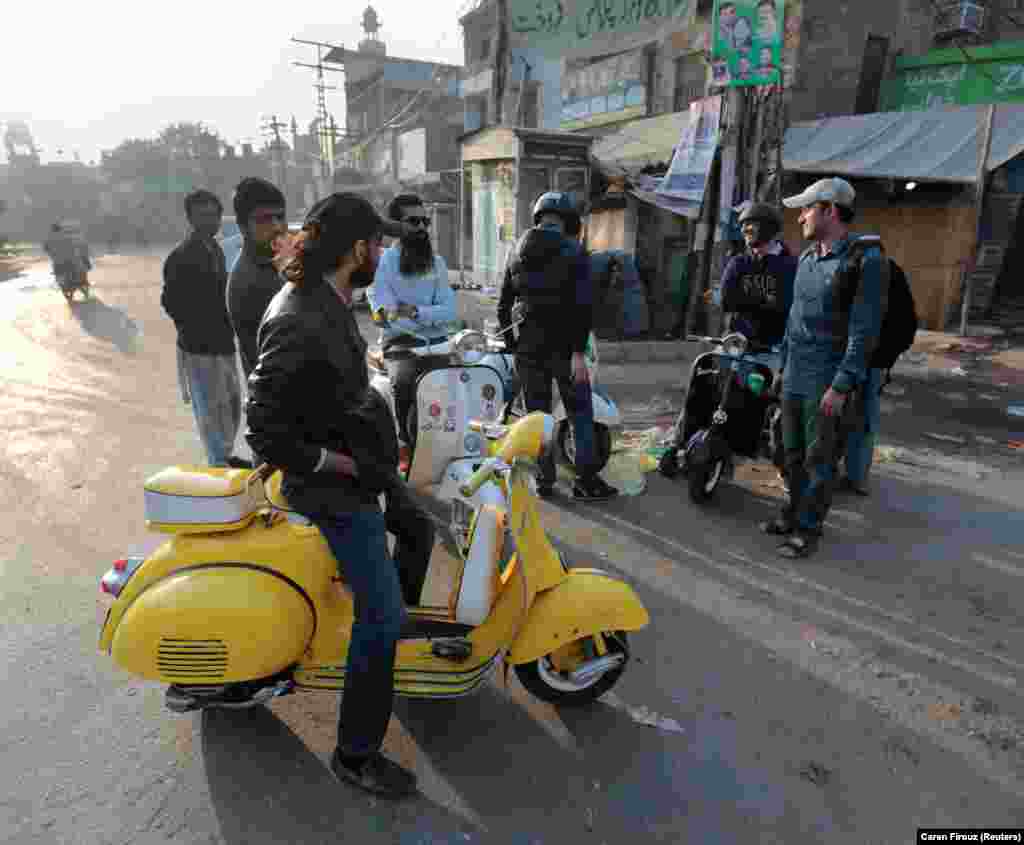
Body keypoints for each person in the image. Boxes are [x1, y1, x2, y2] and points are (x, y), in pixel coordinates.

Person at [245, 193, 429, 798]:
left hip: (360, 466)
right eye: (376, 243)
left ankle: (383, 656)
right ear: (355, 249)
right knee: (380, 611)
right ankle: (355, 754)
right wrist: (339, 462)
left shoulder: (328, 300)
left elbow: (328, 386)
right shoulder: (298, 313)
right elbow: (264, 428)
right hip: (331, 485)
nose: (381, 252)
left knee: (418, 528)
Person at [761, 178, 888, 559]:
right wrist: (781, 368)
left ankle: (808, 530)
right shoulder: (807, 258)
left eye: (807, 209)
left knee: (820, 459)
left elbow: (864, 332)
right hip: (795, 374)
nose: (799, 216)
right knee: (787, 452)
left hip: (826, 379)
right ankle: (793, 512)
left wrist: (842, 384)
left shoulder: (865, 262)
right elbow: (794, 320)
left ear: (830, 211)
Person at [497, 192, 618, 502]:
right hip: (566, 351)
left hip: (528, 350)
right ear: (566, 220)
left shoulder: (515, 251)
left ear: (539, 218)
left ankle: (544, 480)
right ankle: (585, 480)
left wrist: (514, 344)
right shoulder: (574, 251)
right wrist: (578, 352)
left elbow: (503, 305)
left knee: (537, 417)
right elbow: (583, 307)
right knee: (579, 414)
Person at [368, 194, 457, 471]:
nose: (421, 227)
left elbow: (449, 311)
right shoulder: (383, 263)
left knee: (459, 384)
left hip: (439, 343)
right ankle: (404, 443)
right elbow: (384, 313)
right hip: (400, 345)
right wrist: (423, 315)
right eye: (413, 221)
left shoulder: (438, 263)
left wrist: (416, 312)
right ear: (396, 226)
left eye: (424, 221)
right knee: (405, 382)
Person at [161, 190, 245, 468]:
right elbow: (170, 302)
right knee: (210, 409)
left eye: (214, 215)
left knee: (231, 405)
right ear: (190, 218)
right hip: (198, 346)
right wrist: (194, 325)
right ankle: (219, 463)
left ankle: (224, 454)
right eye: (203, 216)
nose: (210, 221)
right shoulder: (180, 256)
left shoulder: (217, 251)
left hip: (223, 341)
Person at [226, 177, 287, 380]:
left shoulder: (272, 265)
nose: (277, 226)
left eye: (280, 217)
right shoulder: (250, 281)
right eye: (264, 219)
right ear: (243, 226)